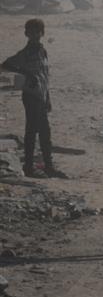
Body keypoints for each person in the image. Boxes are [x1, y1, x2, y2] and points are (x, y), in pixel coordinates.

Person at [1, 19, 66, 179]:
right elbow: (6, 64)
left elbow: (45, 77)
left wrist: (48, 98)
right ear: (26, 34)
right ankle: (30, 166)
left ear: (42, 33)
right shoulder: (26, 53)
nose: (35, 34)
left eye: (37, 31)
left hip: (41, 96)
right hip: (31, 96)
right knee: (33, 131)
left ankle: (47, 166)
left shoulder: (42, 51)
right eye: (31, 31)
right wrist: (26, 73)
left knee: (44, 132)